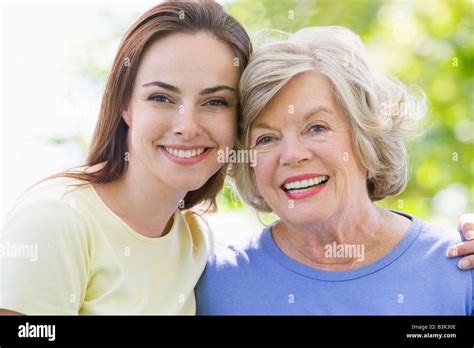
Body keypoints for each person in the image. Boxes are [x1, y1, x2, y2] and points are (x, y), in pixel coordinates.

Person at [195, 26, 474, 315]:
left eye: (316, 128)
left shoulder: (460, 268)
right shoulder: (215, 287)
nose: (292, 155)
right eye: (266, 139)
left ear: (366, 134)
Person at [0, 1, 251, 315]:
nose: (187, 127)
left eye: (215, 101)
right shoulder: (56, 220)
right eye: (161, 97)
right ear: (126, 105)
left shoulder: (195, 240)